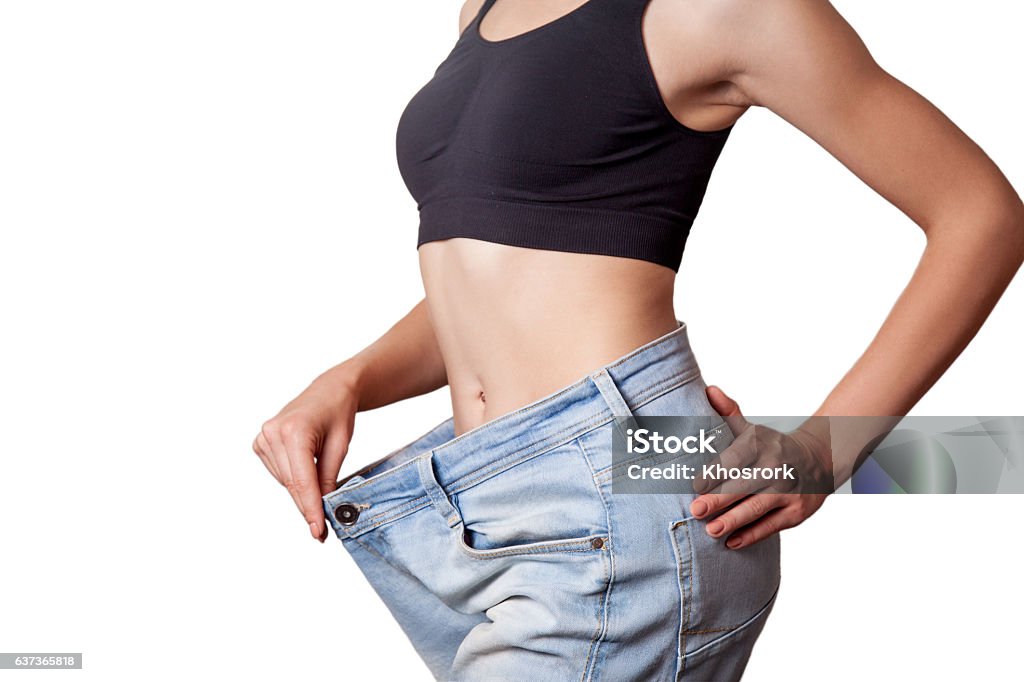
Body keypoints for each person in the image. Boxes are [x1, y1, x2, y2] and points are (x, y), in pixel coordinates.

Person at [252, 0, 1023, 679]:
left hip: (615, 493)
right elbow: (505, 281)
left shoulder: (719, 8)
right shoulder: (482, 11)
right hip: (479, 501)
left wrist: (825, 448)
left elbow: (981, 215)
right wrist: (350, 379)